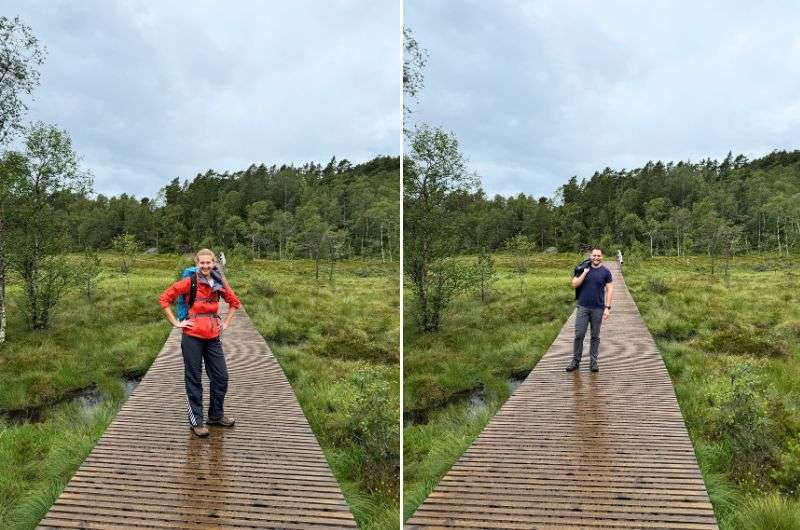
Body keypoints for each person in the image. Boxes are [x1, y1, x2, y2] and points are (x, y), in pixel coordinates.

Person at [159, 248, 241, 437]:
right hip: (192, 336)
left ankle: (215, 415)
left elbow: (235, 302)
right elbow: (164, 298)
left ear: (213, 263)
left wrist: (226, 323)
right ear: (197, 264)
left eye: (208, 263)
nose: (205, 266)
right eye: (202, 263)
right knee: (194, 379)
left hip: (213, 336)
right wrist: (176, 322)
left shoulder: (219, 282)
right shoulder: (190, 282)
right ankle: (197, 420)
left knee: (221, 377)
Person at [566, 248, 614, 373]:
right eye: (594, 255)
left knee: (595, 336)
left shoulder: (606, 272)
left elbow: (610, 290)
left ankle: (593, 362)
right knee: (579, 335)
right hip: (583, 307)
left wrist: (607, 308)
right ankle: (575, 361)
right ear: (590, 256)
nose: (596, 257)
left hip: (598, 308)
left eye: (598, 255)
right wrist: (584, 273)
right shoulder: (583, 268)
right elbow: (574, 284)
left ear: (602, 257)